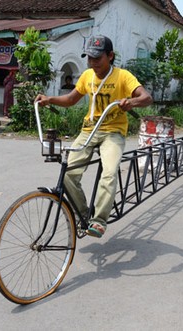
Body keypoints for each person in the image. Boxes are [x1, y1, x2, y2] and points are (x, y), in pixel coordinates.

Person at [35, 35, 153, 238]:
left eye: (97, 58)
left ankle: (99, 221)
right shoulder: (87, 76)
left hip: (113, 132)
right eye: (89, 58)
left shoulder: (123, 76)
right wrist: (50, 99)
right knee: (69, 174)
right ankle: (83, 216)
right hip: (89, 130)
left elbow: (146, 97)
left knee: (109, 171)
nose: (92, 62)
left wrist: (131, 102)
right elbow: (72, 98)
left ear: (110, 56)